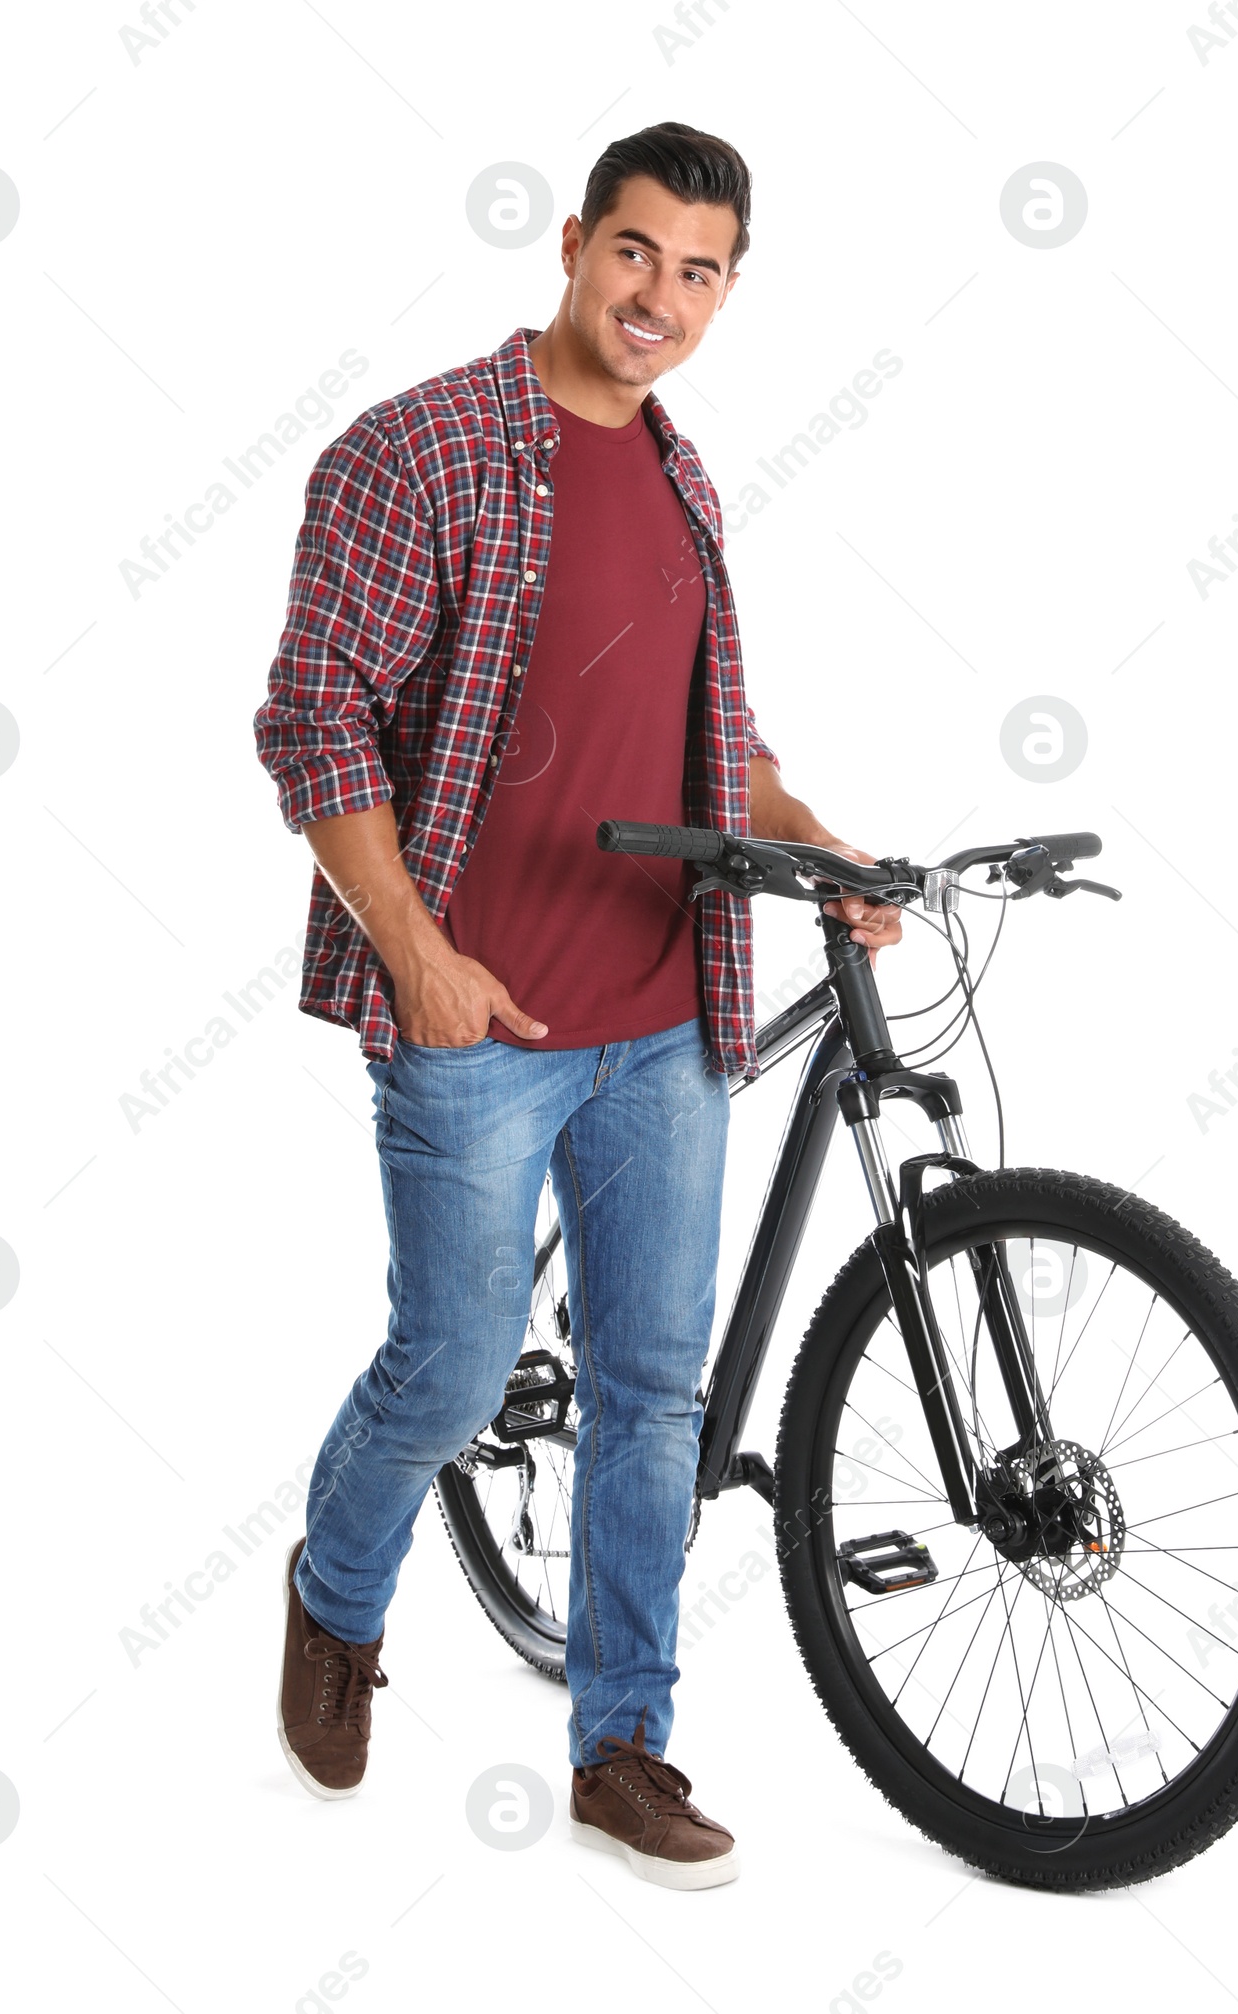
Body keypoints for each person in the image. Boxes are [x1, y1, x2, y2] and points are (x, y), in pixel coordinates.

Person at [252, 121, 902, 1889]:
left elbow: (716, 743)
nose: (660, 299)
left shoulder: (686, 482)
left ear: (726, 291)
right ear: (571, 243)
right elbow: (313, 723)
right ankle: (335, 1592)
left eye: (699, 274)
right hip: (478, 1024)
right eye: (636, 254)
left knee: (651, 1390)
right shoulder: (424, 449)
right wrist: (418, 955)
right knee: (454, 1362)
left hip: (660, 1019)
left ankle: (621, 1741)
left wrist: (828, 842)